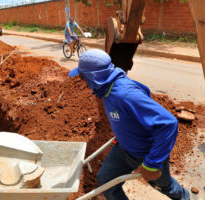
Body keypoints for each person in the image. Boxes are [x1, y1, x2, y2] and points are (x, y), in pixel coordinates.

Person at [69, 49, 190, 200]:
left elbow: (168, 123)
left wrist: (152, 164)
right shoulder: (107, 88)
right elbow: (145, 91)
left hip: (145, 153)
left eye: (83, 76)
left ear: (94, 76)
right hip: (123, 149)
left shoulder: (124, 94)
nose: (83, 81)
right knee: (105, 180)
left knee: (166, 187)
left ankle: (186, 197)